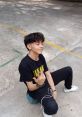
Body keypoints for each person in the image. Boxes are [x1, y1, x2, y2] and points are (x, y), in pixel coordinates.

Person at [18, 32, 78, 117]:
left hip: (44, 82)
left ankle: (68, 88)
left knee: (68, 70)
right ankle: (46, 112)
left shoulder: (40, 56)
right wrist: (39, 84)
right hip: (35, 91)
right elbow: (30, 88)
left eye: (42, 43)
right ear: (29, 46)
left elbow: (48, 74)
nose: (41, 46)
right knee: (52, 108)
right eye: (38, 44)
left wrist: (54, 90)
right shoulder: (24, 65)